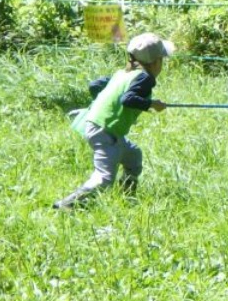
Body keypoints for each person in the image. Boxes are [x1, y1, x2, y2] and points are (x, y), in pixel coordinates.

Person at [54, 33, 174, 211]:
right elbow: (128, 99)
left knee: (133, 157)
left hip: (100, 126)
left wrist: (104, 106)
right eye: (162, 60)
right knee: (104, 178)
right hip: (106, 131)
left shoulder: (124, 74)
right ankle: (66, 205)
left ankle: (127, 197)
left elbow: (95, 85)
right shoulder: (145, 79)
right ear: (156, 62)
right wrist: (151, 104)